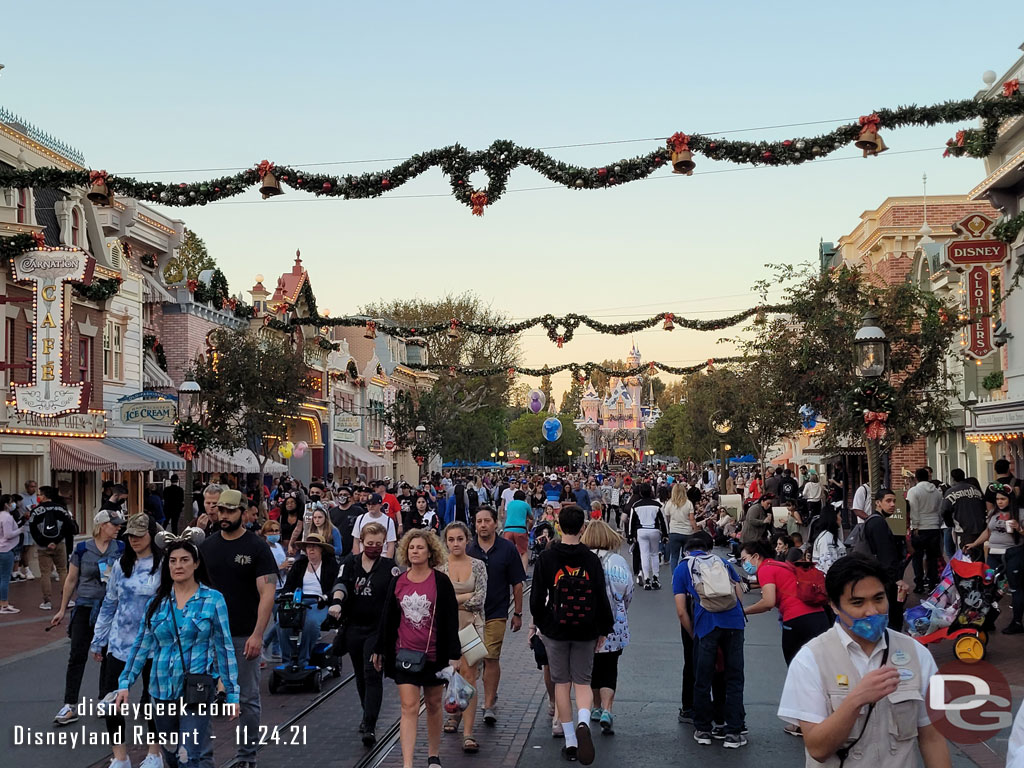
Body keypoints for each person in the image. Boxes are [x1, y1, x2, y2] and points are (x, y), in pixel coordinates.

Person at [777, 553, 952, 768]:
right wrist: (855, 700)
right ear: (833, 605)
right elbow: (817, 749)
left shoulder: (917, 654)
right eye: (857, 602)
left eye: (879, 598)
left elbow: (933, 738)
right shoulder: (811, 659)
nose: (872, 611)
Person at [114, 532, 240, 768]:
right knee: (171, 756)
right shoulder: (158, 603)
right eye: (173, 561)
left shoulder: (213, 600)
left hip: (197, 690)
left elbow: (224, 648)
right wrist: (125, 683)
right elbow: (141, 645)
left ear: (196, 564)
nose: (178, 565)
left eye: (184, 560)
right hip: (161, 690)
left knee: (189, 754)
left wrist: (232, 693)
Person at [530, 506, 614, 764]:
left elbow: (535, 598)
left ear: (558, 525)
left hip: (556, 628)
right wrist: (603, 628)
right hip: (586, 628)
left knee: (562, 684)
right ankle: (584, 722)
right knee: (583, 681)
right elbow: (601, 595)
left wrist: (542, 623)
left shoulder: (547, 558)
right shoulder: (591, 559)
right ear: (582, 528)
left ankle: (569, 739)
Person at [200, 489, 277, 768]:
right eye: (221, 510)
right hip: (208, 636)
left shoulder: (257, 547)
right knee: (200, 696)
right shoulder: (206, 547)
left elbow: (267, 592)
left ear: (243, 512)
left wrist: (258, 634)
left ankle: (246, 756)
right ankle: (203, 755)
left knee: (247, 699)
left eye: (230, 511)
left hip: (243, 634)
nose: (224, 515)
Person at [373, 529, 461, 768]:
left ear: (430, 551)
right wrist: (380, 648)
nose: (415, 551)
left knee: (433, 705)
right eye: (411, 547)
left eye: (420, 547)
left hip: (434, 655)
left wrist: (454, 655)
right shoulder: (398, 581)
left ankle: (433, 755)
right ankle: (408, 763)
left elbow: (451, 619)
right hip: (405, 655)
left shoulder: (440, 582)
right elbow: (388, 617)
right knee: (409, 706)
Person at [91, 514, 164, 768]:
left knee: (153, 700)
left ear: (152, 536)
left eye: (139, 535)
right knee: (112, 700)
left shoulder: (164, 564)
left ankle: (154, 752)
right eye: (130, 535)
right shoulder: (122, 564)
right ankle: (120, 756)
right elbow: (109, 603)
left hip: (155, 646)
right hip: (120, 644)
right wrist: (99, 639)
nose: (134, 540)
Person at [50, 509, 126, 725]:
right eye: (115, 524)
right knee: (77, 655)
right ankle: (69, 704)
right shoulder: (83, 549)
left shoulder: (120, 548)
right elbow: (71, 579)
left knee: (109, 655)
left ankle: (105, 697)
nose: (119, 527)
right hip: (85, 606)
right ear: (102, 525)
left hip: (110, 608)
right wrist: (62, 609)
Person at [673, 533, 747, 749]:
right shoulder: (722, 562)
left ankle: (703, 728)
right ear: (707, 549)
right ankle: (733, 730)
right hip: (734, 624)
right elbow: (738, 592)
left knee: (702, 678)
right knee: (734, 678)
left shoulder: (683, 568)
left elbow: (680, 610)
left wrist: (693, 632)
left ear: (687, 550)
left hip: (707, 626)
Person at [329, 522, 395, 745]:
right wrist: (337, 601)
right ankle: (366, 712)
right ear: (361, 542)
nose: (374, 547)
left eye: (378, 544)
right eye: (369, 543)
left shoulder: (389, 567)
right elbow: (340, 583)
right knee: (359, 673)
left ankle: (370, 725)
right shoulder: (350, 562)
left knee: (372, 672)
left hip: (377, 629)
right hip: (354, 627)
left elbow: (394, 598)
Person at [467, 505, 526, 727]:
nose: (482, 525)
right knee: (471, 661)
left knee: (491, 657)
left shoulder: (507, 549)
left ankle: (489, 704)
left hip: (496, 612)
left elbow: (517, 583)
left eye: (486, 521)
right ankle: (465, 704)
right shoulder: (468, 549)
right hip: (470, 615)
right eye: (479, 521)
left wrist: (518, 612)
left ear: (495, 523)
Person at [740, 540, 830, 684]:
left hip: (796, 619)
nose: (744, 564)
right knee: (822, 667)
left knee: (796, 667)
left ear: (755, 556)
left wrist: (744, 611)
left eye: (744, 559)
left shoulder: (765, 569)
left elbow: (768, 601)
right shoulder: (781, 565)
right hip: (819, 615)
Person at [581, 519, 633, 736]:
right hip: (613, 623)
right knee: (609, 667)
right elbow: (627, 591)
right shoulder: (617, 561)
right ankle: (607, 709)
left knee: (589, 667)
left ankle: (594, 706)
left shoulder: (582, 559)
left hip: (585, 622)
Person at [440, 521, 488, 753]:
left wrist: (454, 599)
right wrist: (462, 597)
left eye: (459, 539)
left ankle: (468, 732)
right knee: (450, 675)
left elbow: (479, 598)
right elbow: (439, 600)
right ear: (446, 542)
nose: (455, 543)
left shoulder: (478, 565)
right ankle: (454, 712)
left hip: (472, 626)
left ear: (467, 540)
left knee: (469, 677)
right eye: (451, 539)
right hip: (446, 627)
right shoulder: (440, 566)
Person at [966, 485, 1024, 634]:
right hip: (993, 554)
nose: (1000, 502)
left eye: (1003, 499)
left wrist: (1019, 528)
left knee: (1015, 587)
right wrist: (974, 543)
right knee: (988, 585)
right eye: (997, 499)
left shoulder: (1020, 513)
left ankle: (1017, 622)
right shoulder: (993, 513)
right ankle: (987, 619)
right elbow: (988, 531)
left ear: (1010, 500)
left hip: (1013, 553)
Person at [278, 534, 338, 668]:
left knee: (311, 622)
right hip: (299, 602)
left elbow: (336, 587)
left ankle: (303, 659)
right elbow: (288, 586)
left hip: (320, 602)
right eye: (308, 547)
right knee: (281, 621)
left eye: (314, 547)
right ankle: (287, 661)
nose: (310, 550)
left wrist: (326, 597)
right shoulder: (299, 564)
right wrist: (286, 594)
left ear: (321, 549)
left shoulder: (331, 565)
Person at [861, 489, 908, 632]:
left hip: (879, 576)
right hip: (885, 579)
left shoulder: (875, 521)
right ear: (878, 503)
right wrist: (896, 579)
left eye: (894, 501)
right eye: (888, 501)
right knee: (892, 617)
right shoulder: (878, 523)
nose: (892, 504)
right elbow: (885, 554)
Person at [29, 485, 77, 609]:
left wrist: (45, 542)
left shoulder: (36, 511)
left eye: (39, 494)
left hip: (42, 547)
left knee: (45, 573)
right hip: (60, 544)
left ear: (44, 496)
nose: (38, 497)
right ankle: (67, 599)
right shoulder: (61, 509)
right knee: (62, 570)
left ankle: (47, 601)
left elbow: (33, 530)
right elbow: (67, 527)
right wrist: (56, 541)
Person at [907, 467, 943, 594]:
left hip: (920, 527)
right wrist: (938, 523)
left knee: (917, 557)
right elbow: (940, 510)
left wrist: (915, 525)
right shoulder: (937, 492)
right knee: (932, 558)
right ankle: (933, 582)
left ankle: (919, 583)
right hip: (934, 526)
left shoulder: (914, 491)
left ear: (916, 478)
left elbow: (913, 510)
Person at [628, 483, 667, 590]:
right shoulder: (657, 505)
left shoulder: (635, 505)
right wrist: (665, 534)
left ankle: (647, 579)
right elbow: (663, 521)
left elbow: (632, 521)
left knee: (644, 555)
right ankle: (655, 578)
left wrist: (630, 535)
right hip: (654, 530)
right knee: (654, 554)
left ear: (640, 492)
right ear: (651, 492)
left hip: (641, 531)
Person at [942, 468, 986, 554]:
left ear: (952, 479)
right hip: (979, 528)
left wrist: (950, 524)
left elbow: (944, 510)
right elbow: (983, 505)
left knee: (965, 557)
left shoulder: (951, 491)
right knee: (978, 556)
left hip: (963, 530)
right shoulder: (975, 489)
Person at [664, 485, 698, 574]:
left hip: (674, 531)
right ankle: (686, 574)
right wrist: (695, 530)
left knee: (674, 556)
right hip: (687, 532)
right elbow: (692, 519)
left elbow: (667, 517)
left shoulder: (669, 503)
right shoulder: (688, 503)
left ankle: (674, 576)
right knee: (686, 556)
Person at [0, 494, 24, 613]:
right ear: (6, 504)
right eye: (10, 502)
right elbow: (8, 534)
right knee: (5, 578)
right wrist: (20, 530)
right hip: (6, 549)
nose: (12, 504)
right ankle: (4, 604)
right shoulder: (7, 517)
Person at [503, 489, 533, 571]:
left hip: (508, 529)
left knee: (508, 552)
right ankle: (523, 573)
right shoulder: (525, 505)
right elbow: (531, 517)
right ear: (524, 498)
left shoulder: (509, 504)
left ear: (513, 497)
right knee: (523, 552)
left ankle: (507, 571)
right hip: (520, 529)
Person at [810, 507, 846, 574]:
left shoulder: (828, 536)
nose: (841, 519)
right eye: (839, 516)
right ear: (833, 518)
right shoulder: (827, 539)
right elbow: (827, 564)